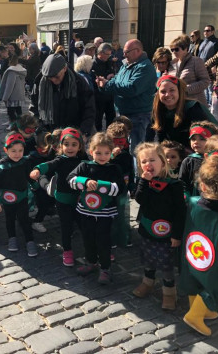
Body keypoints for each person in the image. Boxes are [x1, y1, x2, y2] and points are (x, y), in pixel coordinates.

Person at [180, 155, 218, 336]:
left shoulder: (192, 203)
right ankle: (195, 316)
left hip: (194, 253)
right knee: (214, 283)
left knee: (195, 277)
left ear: (202, 185)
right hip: (216, 258)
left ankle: (198, 309)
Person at [133, 142, 186, 310]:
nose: (148, 164)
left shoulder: (175, 185)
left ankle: (169, 292)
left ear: (163, 161)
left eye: (152, 160)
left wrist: (177, 235)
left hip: (166, 233)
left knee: (166, 264)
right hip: (148, 229)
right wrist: (143, 182)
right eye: (144, 161)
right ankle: (147, 282)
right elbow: (139, 199)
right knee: (148, 260)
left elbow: (180, 211)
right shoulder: (144, 183)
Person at [68, 133, 125, 284]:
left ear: (111, 153)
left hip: (105, 213)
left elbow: (120, 188)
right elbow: (71, 179)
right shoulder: (85, 166)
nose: (102, 156)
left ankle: (105, 267)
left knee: (103, 240)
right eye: (98, 153)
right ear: (91, 152)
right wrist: (85, 181)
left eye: (106, 153)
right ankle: (91, 262)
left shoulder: (114, 168)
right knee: (87, 238)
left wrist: (101, 186)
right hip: (86, 211)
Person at [30, 127, 86, 266]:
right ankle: (67, 251)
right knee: (66, 226)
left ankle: (91, 250)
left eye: (74, 144)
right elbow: (48, 165)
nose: (70, 148)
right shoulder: (60, 160)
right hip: (63, 200)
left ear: (80, 146)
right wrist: (38, 169)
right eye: (66, 144)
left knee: (84, 225)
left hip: (80, 199)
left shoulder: (83, 159)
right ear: (61, 146)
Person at [96, 39, 157, 153]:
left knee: (136, 151)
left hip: (138, 115)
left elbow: (131, 88)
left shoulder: (145, 67)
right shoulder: (127, 64)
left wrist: (107, 84)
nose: (123, 55)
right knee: (122, 149)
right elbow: (116, 80)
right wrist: (105, 84)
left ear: (137, 51)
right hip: (124, 114)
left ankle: (137, 171)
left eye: (127, 52)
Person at [0, 132, 38, 257]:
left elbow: (29, 176)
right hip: (8, 199)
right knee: (10, 219)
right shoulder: (1, 167)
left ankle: (30, 240)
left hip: (22, 196)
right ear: (6, 150)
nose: (17, 154)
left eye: (20, 150)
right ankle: (12, 238)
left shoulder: (24, 162)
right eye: (13, 151)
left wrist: (35, 185)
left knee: (24, 219)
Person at [33, 53, 95, 138]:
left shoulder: (79, 82)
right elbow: (34, 107)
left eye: (56, 76)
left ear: (65, 69)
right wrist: (40, 130)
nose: (53, 80)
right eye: (49, 77)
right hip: (49, 133)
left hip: (73, 133)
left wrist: (83, 132)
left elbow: (89, 108)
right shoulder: (40, 83)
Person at [145, 75, 214, 150]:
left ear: (179, 91)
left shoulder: (193, 108)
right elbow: (154, 138)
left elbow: (207, 137)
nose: (167, 94)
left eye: (172, 90)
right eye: (163, 92)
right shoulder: (157, 111)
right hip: (170, 155)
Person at [106, 121, 135, 250]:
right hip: (109, 189)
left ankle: (124, 236)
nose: (118, 145)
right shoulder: (105, 154)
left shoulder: (127, 156)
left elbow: (131, 171)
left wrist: (132, 186)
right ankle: (111, 237)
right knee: (110, 213)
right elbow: (102, 166)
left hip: (123, 188)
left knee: (123, 213)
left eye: (121, 141)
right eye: (114, 142)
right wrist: (111, 156)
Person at [178, 121, 218, 196]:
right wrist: (185, 195)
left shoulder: (217, 159)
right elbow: (182, 181)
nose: (196, 142)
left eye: (202, 139)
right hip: (194, 201)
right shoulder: (188, 161)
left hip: (214, 199)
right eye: (193, 139)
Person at [168, 35, 210, 105]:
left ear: (185, 49)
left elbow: (205, 81)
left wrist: (185, 89)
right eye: (172, 50)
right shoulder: (172, 64)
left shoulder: (196, 61)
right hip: (178, 104)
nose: (174, 52)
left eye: (176, 49)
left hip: (195, 103)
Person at [0, 54, 27, 127]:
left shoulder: (12, 71)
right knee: (18, 111)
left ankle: (13, 124)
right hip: (19, 94)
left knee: (11, 112)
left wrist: (5, 97)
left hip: (12, 96)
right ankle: (18, 123)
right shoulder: (20, 69)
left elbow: (9, 85)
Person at [93, 43, 115, 131]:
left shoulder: (109, 62)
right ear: (100, 53)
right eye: (107, 54)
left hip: (109, 96)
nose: (109, 56)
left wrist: (113, 76)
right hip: (98, 97)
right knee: (98, 121)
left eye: (110, 54)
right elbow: (94, 80)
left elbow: (113, 73)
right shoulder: (93, 64)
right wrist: (106, 78)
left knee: (111, 120)